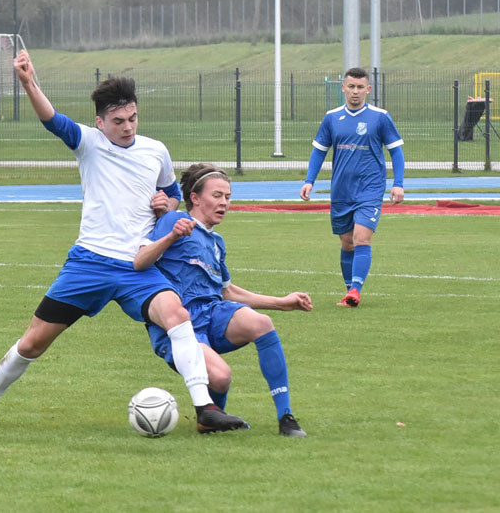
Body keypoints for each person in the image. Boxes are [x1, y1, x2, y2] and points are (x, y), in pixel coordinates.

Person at [0, 50, 248, 433]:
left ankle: (204, 407)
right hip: (89, 264)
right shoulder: (87, 143)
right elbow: (51, 119)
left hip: (137, 266)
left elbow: (170, 197)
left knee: (177, 315)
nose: (128, 127)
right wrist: (28, 82)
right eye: (118, 121)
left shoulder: (156, 152)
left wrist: (164, 202)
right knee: (33, 343)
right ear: (99, 122)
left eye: (132, 118)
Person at [134, 163, 313, 437]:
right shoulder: (173, 221)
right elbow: (140, 262)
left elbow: (227, 291)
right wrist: (171, 235)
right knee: (220, 376)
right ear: (195, 198)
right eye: (217, 195)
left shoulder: (217, 242)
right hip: (177, 321)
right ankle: (209, 420)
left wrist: (281, 302)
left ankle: (286, 418)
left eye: (227, 197)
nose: (224, 203)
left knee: (261, 323)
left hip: (213, 312)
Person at [299, 67, 405, 308]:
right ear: (343, 88)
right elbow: (319, 151)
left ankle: (355, 290)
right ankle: (349, 291)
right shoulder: (332, 118)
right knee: (347, 243)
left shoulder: (380, 117)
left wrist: (398, 184)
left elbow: (396, 151)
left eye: (360, 87)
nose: (355, 92)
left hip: (370, 189)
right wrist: (309, 180)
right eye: (351, 87)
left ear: (368, 89)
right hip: (341, 191)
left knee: (361, 239)